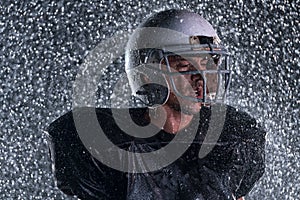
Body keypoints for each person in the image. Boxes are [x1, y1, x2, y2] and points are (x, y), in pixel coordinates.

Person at [47, 9, 265, 200]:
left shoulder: (234, 139)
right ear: (150, 75)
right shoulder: (107, 146)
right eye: (184, 67)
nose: (201, 79)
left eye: (207, 64)